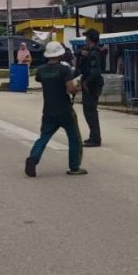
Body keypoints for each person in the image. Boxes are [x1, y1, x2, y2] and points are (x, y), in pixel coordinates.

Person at [24, 41, 86, 178]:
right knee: (74, 138)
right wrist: (78, 88)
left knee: (44, 137)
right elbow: (70, 88)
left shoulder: (41, 70)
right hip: (65, 109)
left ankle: (33, 158)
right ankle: (74, 167)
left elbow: (39, 79)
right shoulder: (65, 70)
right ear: (60, 54)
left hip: (48, 110)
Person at [77, 29, 106, 147]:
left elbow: (96, 71)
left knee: (90, 112)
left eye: (86, 37)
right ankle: (93, 136)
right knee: (89, 111)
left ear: (89, 39)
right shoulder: (92, 51)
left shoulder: (94, 53)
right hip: (91, 84)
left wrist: (86, 82)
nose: (85, 40)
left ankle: (95, 139)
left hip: (92, 85)